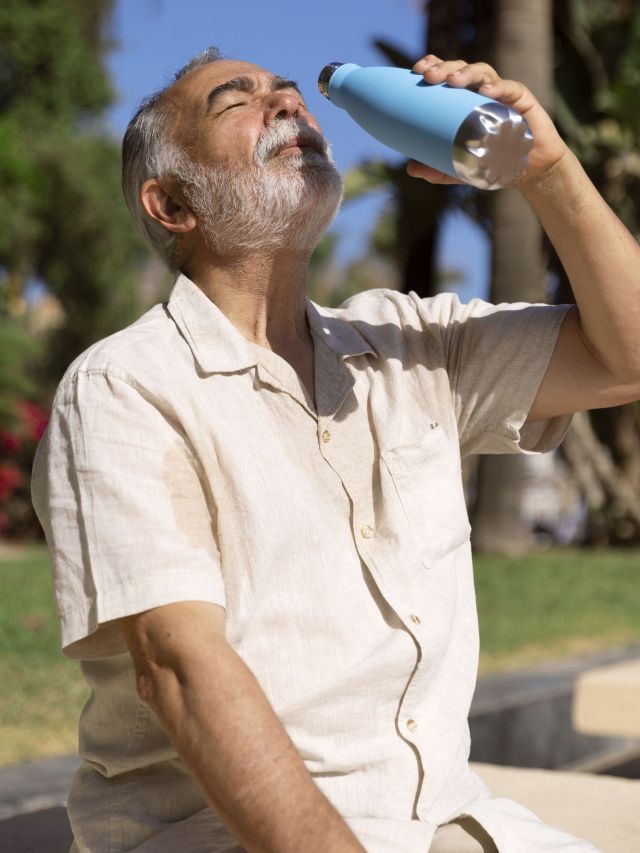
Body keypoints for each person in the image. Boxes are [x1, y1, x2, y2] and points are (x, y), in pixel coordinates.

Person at [31, 45, 640, 853]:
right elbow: (181, 672)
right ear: (172, 201)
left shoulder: (410, 342)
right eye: (235, 101)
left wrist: (545, 165)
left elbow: (625, 356)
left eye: (290, 93)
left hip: (444, 823)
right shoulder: (124, 387)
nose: (287, 104)